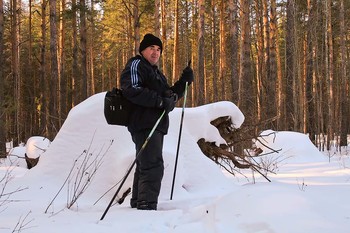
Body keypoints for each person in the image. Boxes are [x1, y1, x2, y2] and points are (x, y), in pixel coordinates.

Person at [120, 33, 194, 210]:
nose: (155, 52)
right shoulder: (136, 64)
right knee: (152, 165)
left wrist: (183, 82)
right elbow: (131, 89)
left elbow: (168, 96)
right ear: (143, 50)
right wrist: (160, 101)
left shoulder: (156, 72)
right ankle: (146, 206)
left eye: (158, 49)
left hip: (156, 124)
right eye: (151, 48)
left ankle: (139, 202)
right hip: (143, 123)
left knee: (145, 164)